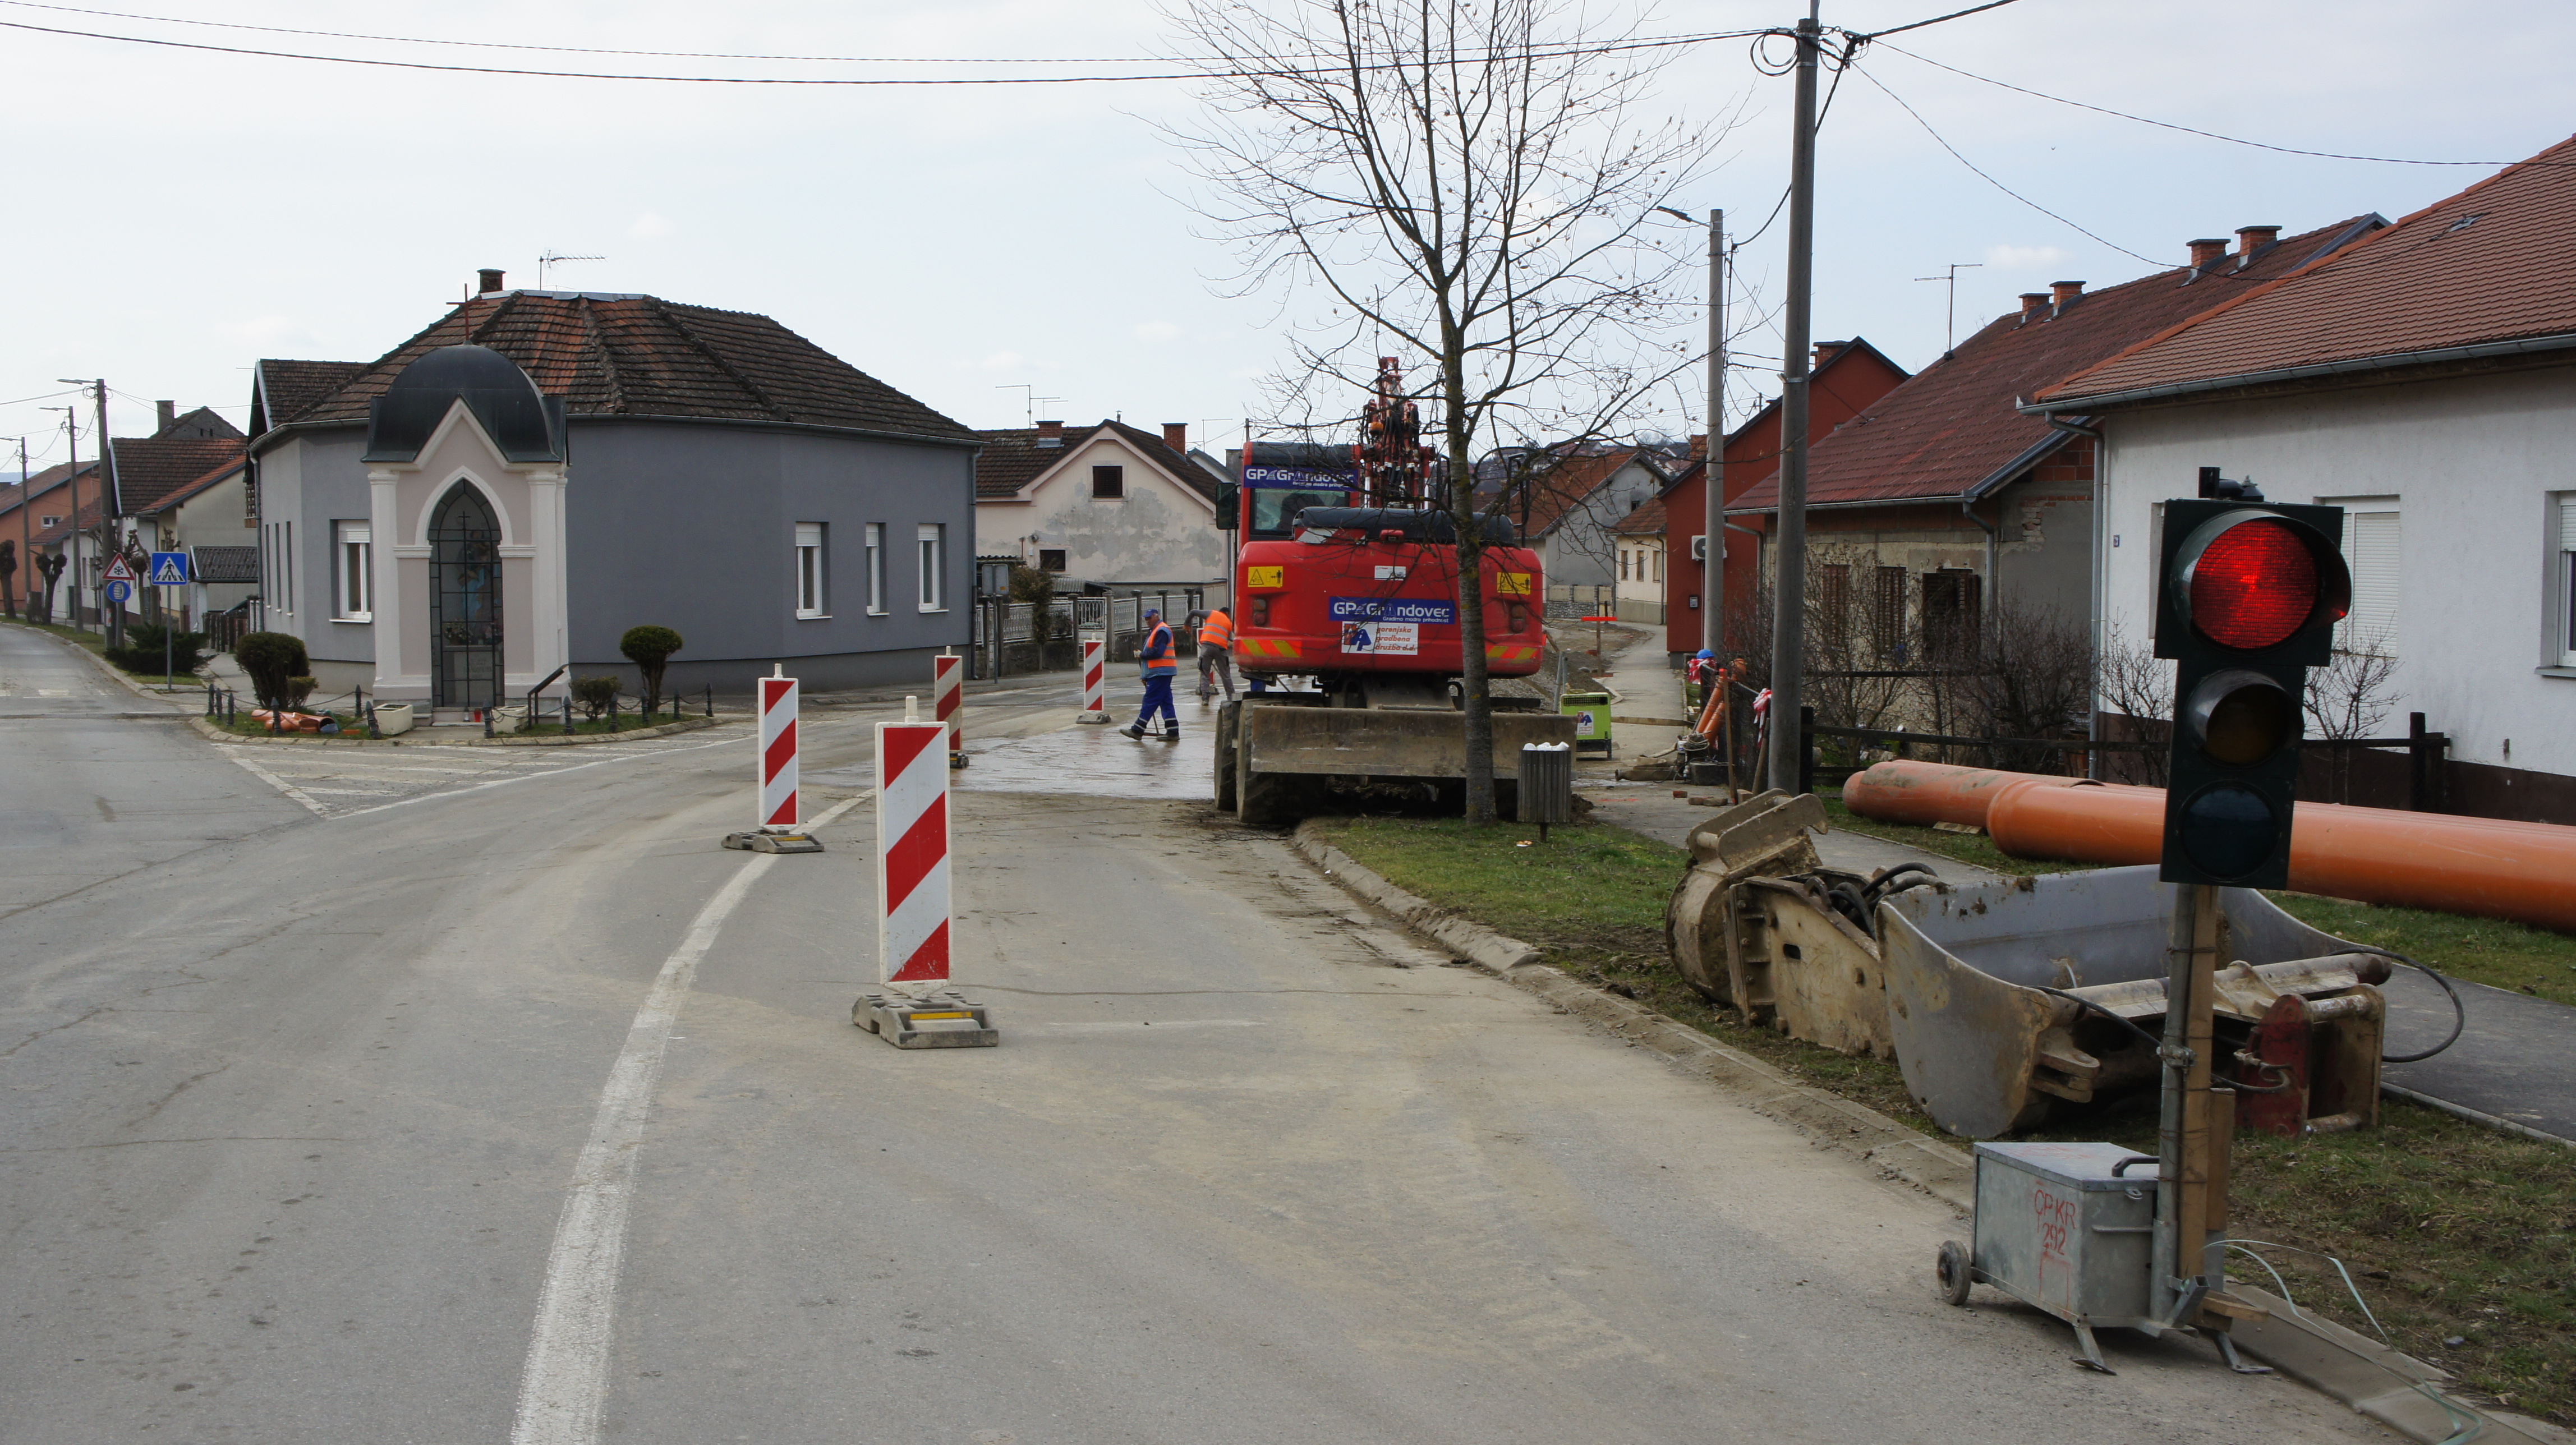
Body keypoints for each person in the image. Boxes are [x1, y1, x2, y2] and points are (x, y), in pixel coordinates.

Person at [1121, 609, 1181, 739]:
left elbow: (1157, 652)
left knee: (1150, 700)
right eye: (1146, 619)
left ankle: (1138, 729)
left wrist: (1141, 655)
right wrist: (1145, 675)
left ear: (1157, 617)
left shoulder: (1161, 631)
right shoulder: (1156, 631)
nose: (1147, 621)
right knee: (1166, 702)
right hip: (1160, 672)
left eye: (1149, 618)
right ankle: (1173, 732)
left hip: (1161, 672)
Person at [1196, 606, 1236, 701]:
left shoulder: (1211, 614)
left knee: (1205, 674)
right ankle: (1231, 698)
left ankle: (1205, 698)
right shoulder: (1228, 623)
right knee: (1226, 675)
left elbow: (1193, 612)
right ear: (1227, 613)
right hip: (1221, 650)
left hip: (1207, 647)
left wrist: (1187, 625)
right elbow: (1228, 642)